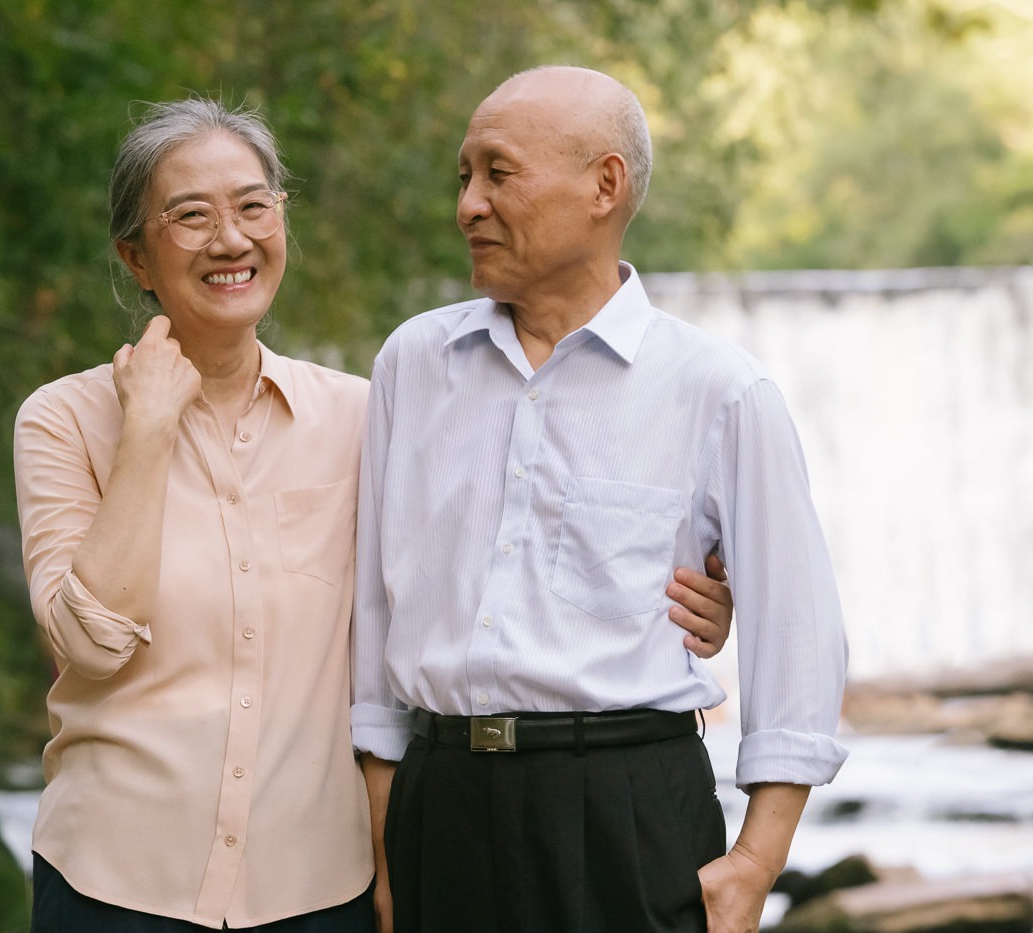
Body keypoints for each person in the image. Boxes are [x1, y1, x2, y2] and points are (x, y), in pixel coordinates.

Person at [13, 97, 735, 932]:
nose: (231, 239)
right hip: (114, 883)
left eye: (254, 206)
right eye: (190, 217)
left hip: (318, 889)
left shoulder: (365, 416)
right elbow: (92, 645)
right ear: (136, 257)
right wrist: (145, 430)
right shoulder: (64, 420)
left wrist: (677, 598)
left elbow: (485, 563)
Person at [352, 66, 848, 933]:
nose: (468, 204)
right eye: (463, 178)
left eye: (497, 173)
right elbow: (374, 615)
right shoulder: (412, 364)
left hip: (627, 813)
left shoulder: (719, 389)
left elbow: (798, 634)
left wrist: (755, 863)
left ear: (604, 185)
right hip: (441, 808)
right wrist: (385, 838)